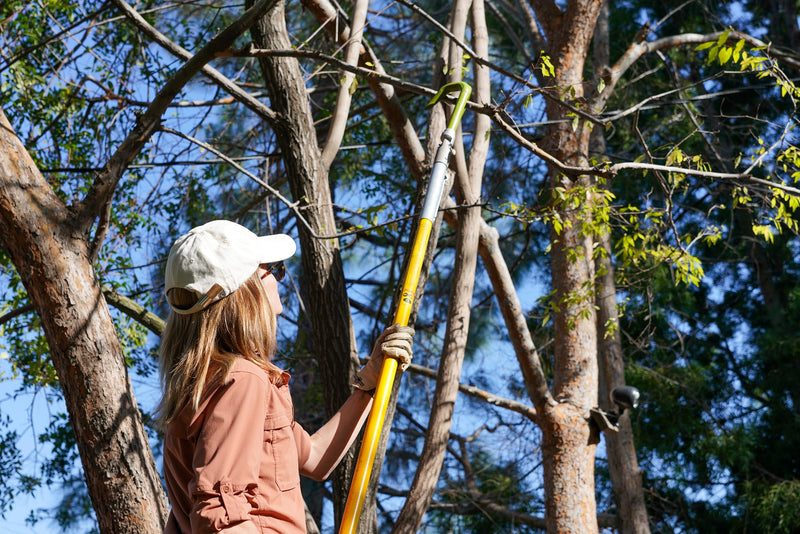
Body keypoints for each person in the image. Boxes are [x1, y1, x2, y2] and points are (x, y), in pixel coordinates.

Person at [157, 220, 414, 534]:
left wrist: (369, 384)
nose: (280, 279)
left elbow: (316, 459)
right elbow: (221, 518)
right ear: (246, 289)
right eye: (273, 269)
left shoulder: (204, 389)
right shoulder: (242, 380)